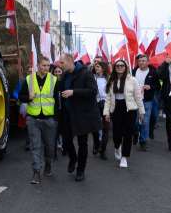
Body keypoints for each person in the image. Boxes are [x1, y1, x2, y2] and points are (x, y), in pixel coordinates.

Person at [58, 54, 102, 182]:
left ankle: (80, 170)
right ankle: (73, 158)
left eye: (62, 63)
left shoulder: (85, 73)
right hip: (67, 114)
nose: (60, 65)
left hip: (82, 115)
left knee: (82, 143)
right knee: (66, 140)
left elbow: (93, 91)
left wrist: (74, 92)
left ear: (70, 61)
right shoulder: (64, 75)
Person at [19, 56, 58, 184]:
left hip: (49, 119)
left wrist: (57, 118)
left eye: (48, 66)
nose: (46, 68)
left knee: (50, 147)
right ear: (38, 65)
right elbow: (21, 97)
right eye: (43, 65)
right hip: (33, 119)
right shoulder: (29, 79)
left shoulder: (54, 80)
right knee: (35, 147)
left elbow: (58, 101)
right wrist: (29, 98)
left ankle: (48, 164)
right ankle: (36, 172)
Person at [104, 59, 144, 168]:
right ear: (115, 68)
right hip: (116, 108)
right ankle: (117, 147)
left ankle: (124, 157)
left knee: (127, 134)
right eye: (117, 66)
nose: (120, 67)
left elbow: (138, 97)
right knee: (116, 133)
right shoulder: (111, 80)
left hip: (129, 110)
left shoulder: (133, 80)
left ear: (125, 67)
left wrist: (141, 111)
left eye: (122, 65)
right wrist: (106, 113)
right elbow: (108, 98)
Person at [132, 54, 160, 151]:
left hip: (147, 100)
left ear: (148, 62)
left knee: (145, 121)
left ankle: (143, 141)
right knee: (135, 121)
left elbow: (158, 86)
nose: (141, 62)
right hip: (134, 100)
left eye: (144, 61)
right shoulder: (133, 72)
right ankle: (135, 133)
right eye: (140, 61)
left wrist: (150, 87)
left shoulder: (153, 72)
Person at [92, 61, 111, 159]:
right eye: (95, 67)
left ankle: (103, 150)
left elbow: (112, 93)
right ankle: (96, 144)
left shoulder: (109, 78)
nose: (96, 68)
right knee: (95, 126)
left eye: (98, 67)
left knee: (106, 128)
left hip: (106, 104)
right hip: (95, 104)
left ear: (103, 68)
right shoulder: (92, 78)